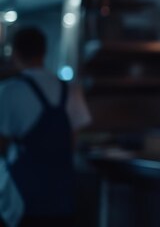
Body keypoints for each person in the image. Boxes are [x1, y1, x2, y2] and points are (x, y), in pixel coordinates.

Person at [0, 27, 91, 227]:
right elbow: (72, 140)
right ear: (45, 51)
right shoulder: (70, 89)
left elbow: (2, 144)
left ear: (15, 53)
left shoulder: (8, 91)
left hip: (22, 197)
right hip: (61, 196)